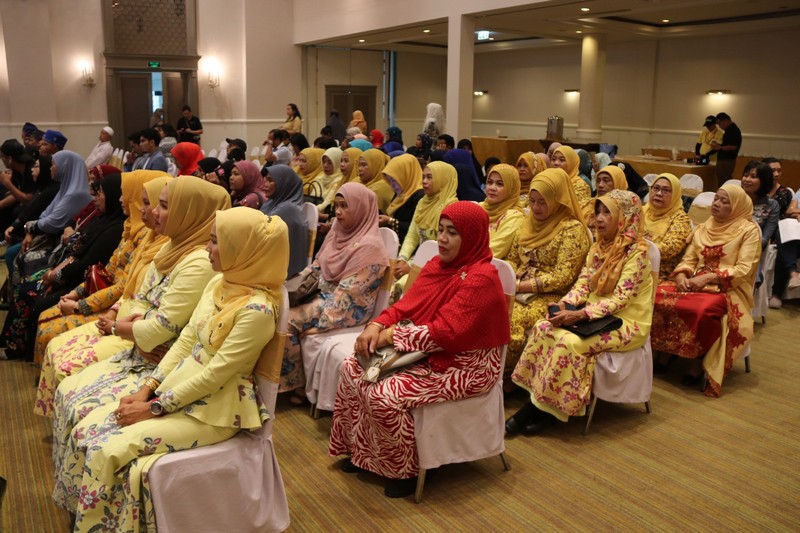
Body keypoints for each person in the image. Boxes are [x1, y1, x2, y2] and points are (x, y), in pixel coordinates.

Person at [53, 207, 288, 532]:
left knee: (107, 449)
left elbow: (216, 375)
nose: (208, 248)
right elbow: (186, 340)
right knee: (88, 429)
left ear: (241, 249)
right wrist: (146, 389)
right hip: (179, 388)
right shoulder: (220, 282)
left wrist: (153, 408)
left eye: (216, 242)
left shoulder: (258, 311)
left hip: (216, 410)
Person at [329, 201, 510, 498]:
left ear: (472, 236)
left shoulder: (482, 277)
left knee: (386, 393)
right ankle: (365, 453)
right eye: (441, 230)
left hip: (468, 364)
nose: (442, 239)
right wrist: (376, 325)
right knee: (352, 367)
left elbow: (446, 332)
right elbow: (404, 307)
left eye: (453, 232)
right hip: (426, 349)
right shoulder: (438, 266)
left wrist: (388, 336)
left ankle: (407, 469)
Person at [39, 177, 230, 421]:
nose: (149, 210)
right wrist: (128, 324)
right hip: (135, 338)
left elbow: (161, 330)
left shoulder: (200, 262)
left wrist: (117, 325)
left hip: (157, 358)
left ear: (189, 213)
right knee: (66, 380)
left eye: (161, 205)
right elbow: (138, 295)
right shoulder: (169, 246)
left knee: (75, 393)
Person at [507, 190, 653, 435]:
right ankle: (539, 404)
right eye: (598, 211)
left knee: (571, 343)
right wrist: (564, 305)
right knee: (544, 327)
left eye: (608, 212)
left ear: (624, 217)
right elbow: (583, 284)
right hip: (594, 315)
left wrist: (580, 315)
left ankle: (545, 412)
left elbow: (621, 299)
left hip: (625, 321)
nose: (599, 218)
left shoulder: (637, 252)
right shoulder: (599, 246)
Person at [33, 172, 169, 412]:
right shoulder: (136, 232)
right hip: (119, 313)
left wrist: (81, 307)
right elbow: (110, 272)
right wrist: (76, 294)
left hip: (127, 323)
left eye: (149, 202)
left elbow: (125, 289)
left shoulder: (162, 246)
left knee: (52, 334)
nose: (121, 200)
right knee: (48, 325)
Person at [1, 173, 126, 361]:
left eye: (100, 192)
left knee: (35, 298)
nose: (96, 197)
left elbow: (86, 263)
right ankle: (8, 340)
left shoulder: (115, 228)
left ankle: (18, 349)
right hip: (69, 272)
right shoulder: (102, 218)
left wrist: (56, 277)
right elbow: (75, 249)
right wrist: (54, 274)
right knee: (26, 285)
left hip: (81, 282)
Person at [280, 182, 389, 396]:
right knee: (275, 307)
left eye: (345, 206)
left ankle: (296, 384)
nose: (338, 212)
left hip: (345, 307)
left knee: (287, 321)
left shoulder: (370, 248)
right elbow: (316, 266)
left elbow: (350, 295)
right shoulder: (337, 232)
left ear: (361, 208)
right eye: (336, 206)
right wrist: (293, 289)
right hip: (321, 293)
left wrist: (320, 326)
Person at [651, 184, 760, 396]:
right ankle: (666, 350)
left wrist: (710, 277)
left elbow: (744, 269)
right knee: (657, 296)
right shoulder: (704, 227)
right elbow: (689, 259)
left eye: (724, 201)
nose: (716, 204)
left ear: (737, 206)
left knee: (702, 310)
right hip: (694, 282)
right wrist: (681, 275)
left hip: (727, 288)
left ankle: (698, 361)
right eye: (716, 198)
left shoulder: (748, 231)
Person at [503, 168, 590, 377]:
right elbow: (512, 257)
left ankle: (507, 375)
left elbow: (563, 277)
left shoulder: (572, 229)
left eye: (543, 202)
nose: (535, 207)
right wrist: (512, 274)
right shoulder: (528, 222)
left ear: (558, 199)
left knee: (510, 318)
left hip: (551, 296)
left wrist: (521, 286)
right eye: (532, 201)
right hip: (518, 288)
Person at [393, 161, 458, 283]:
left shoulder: (452, 208)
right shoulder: (422, 202)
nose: (424, 181)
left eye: (429, 177)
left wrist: (411, 266)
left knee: (401, 285)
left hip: (439, 267)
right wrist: (402, 258)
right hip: (419, 260)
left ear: (442, 179)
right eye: (423, 177)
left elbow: (443, 246)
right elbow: (412, 235)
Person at [641, 173, 693, 281]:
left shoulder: (681, 219)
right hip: (632, 265)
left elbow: (668, 249)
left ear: (675, 194)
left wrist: (635, 246)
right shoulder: (641, 211)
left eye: (666, 190)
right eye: (656, 188)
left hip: (659, 274)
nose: (659, 193)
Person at [260, 164, 308, 279]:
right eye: (265, 180)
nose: (265, 185)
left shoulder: (288, 209)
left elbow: (260, 232)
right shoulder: (271, 203)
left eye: (270, 180)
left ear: (284, 184)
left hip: (281, 274)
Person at [480, 163, 524, 259]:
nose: (492, 188)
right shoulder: (479, 207)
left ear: (511, 188)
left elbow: (493, 251)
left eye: (499, 184)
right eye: (490, 182)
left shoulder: (514, 217)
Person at [379, 153, 425, 243]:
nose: (392, 185)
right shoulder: (401, 193)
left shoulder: (420, 196)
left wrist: (390, 221)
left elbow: (415, 231)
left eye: (394, 180)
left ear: (406, 175)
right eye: (389, 181)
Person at [771, 189, 800, 308]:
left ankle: (777, 293)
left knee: (785, 248)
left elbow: (793, 210)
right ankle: (794, 275)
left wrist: (797, 212)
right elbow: (789, 211)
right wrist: (797, 215)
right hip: (797, 230)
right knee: (782, 234)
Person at [741, 160, 779, 248]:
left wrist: (747, 248)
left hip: (753, 247)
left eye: (753, 176)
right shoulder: (734, 198)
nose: (747, 179)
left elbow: (765, 238)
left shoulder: (772, 205)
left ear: (764, 181)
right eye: (746, 175)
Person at [356, 149, 394, 214]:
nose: (359, 169)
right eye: (359, 165)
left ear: (376, 165)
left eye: (364, 165)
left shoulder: (382, 187)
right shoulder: (357, 181)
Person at [712, 112, 742, 186]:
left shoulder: (733, 130)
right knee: (721, 179)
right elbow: (727, 144)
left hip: (727, 160)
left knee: (725, 181)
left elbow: (734, 147)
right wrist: (718, 145)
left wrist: (720, 147)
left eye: (719, 123)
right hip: (724, 160)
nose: (719, 126)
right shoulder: (729, 130)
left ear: (726, 120)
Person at [315, 146, 344, 213]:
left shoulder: (339, 181)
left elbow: (327, 203)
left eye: (330, 163)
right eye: (324, 162)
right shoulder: (319, 177)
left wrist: (310, 210)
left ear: (337, 163)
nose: (325, 165)